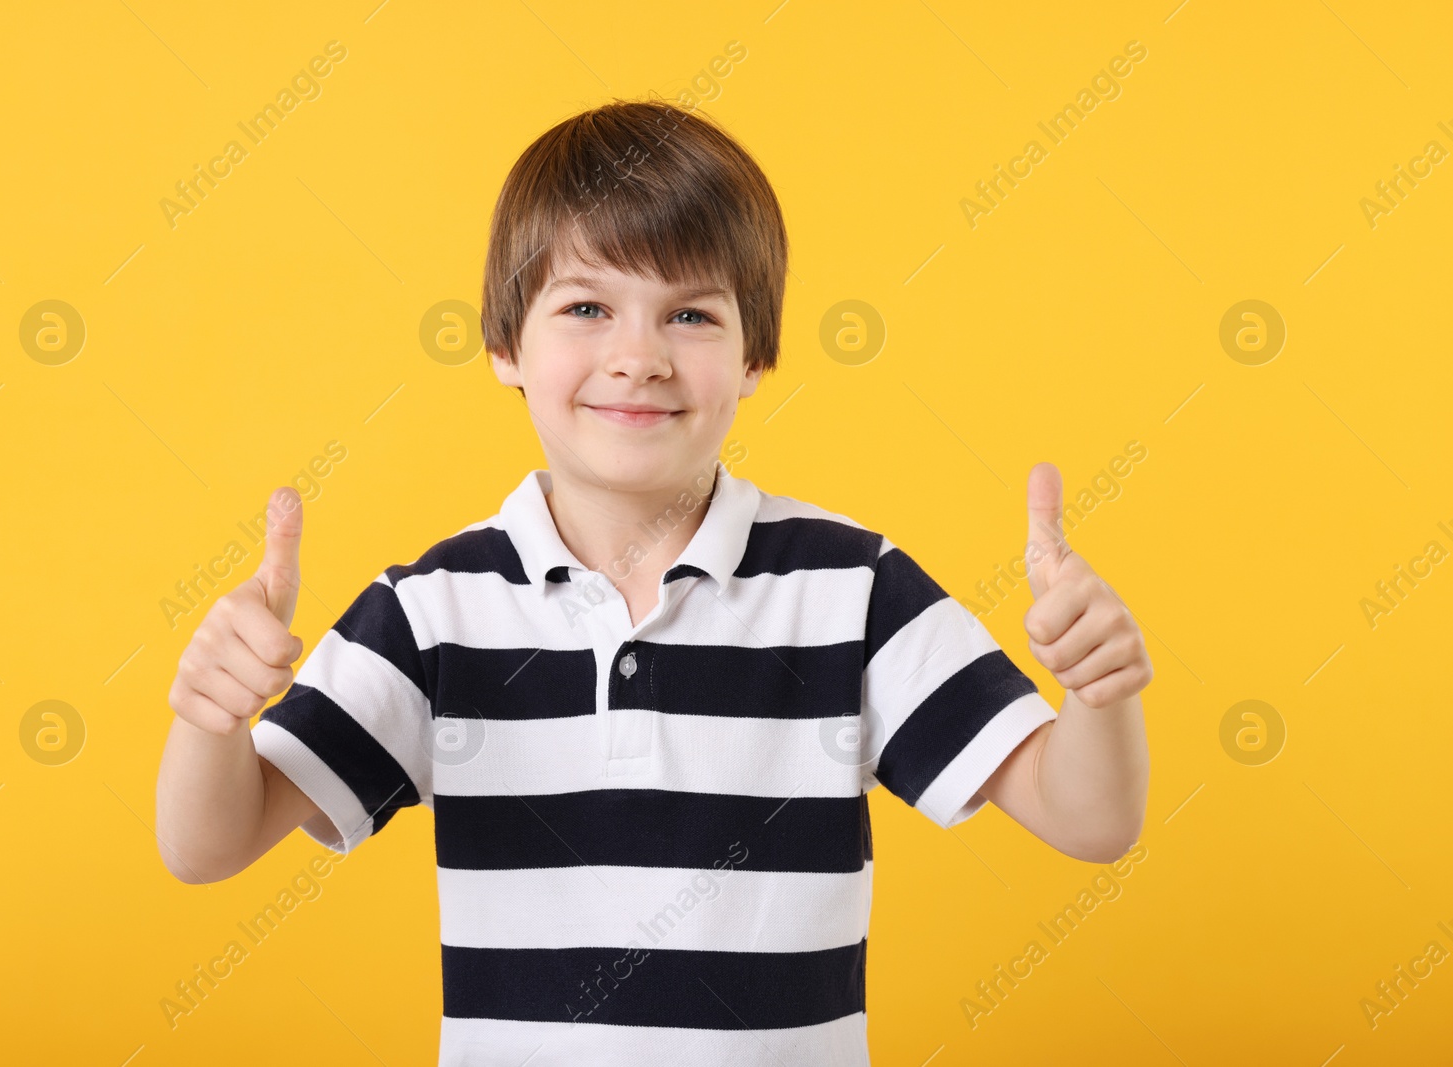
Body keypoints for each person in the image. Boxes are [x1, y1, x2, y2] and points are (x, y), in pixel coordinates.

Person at [154, 97, 1152, 1066]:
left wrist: (1099, 691)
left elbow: (1090, 818)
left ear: (755, 354)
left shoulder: (851, 586)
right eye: (586, 307)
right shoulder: (434, 608)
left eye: (689, 314)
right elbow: (207, 843)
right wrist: (210, 712)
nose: (637, 358)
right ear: (506, 345)